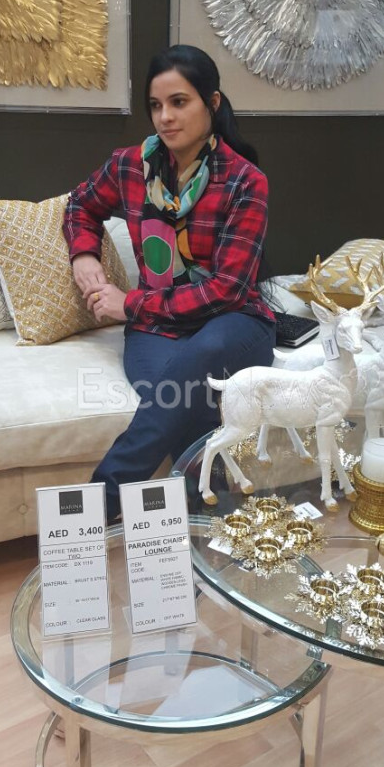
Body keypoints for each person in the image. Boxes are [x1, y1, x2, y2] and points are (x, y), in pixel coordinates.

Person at [63, 44, 276, 522]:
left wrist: (129, 304)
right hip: (157, 326)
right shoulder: (129, 167)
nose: (165, 117)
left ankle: (98, 504)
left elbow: (226, 289)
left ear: (212, 103)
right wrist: (83, 253)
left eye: (179, 102)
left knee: (199, 356)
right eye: (156, 105)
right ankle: (216, 522)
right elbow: (80, 205)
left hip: (234, 325)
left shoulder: (245, 181)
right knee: (182, 397)